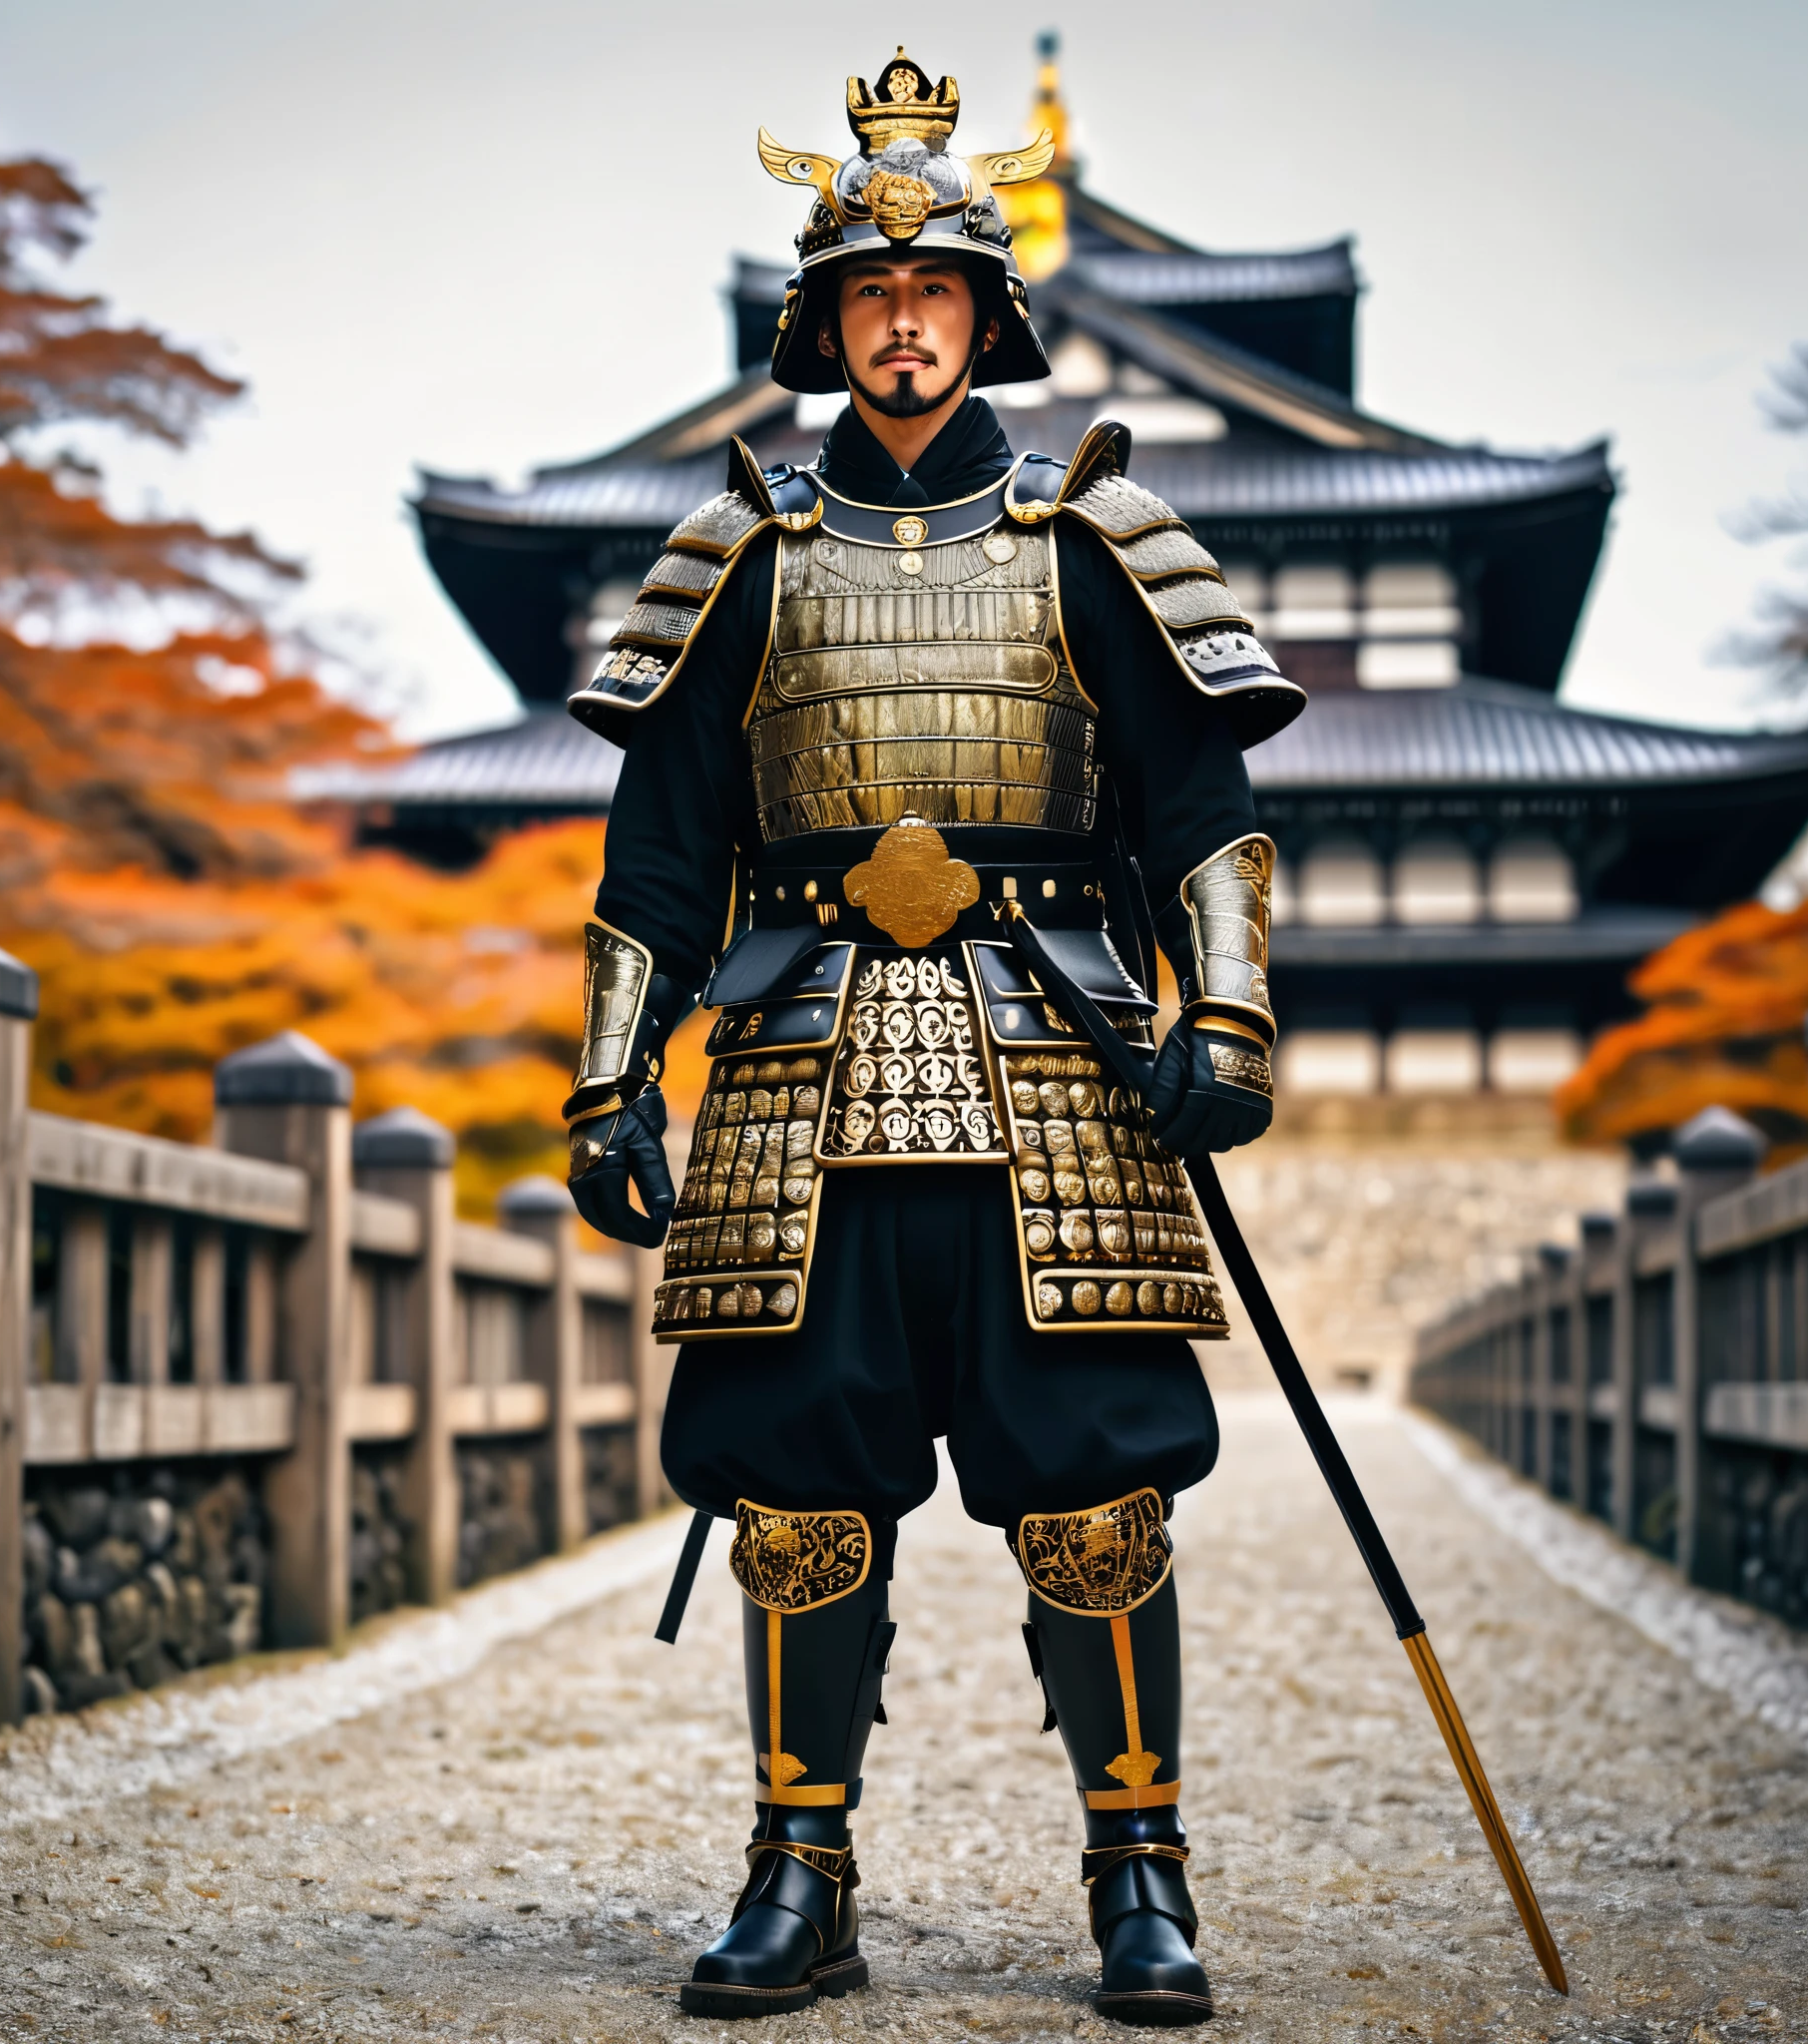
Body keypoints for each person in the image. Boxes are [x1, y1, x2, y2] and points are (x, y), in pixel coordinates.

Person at [561, 49, 1302, 2028]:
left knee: (1092, 1491)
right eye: (868, 299)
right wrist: (609, 1080)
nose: (902, 326)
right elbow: (658, 856)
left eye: (935, 295)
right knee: (795, 1496)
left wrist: (1222, 1013)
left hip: (1055, 1054)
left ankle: (1137, 1868)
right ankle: (798, 1868)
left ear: (988, 316)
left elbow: (1200, 810)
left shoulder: (1093, 540)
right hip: (800, 1065)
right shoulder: (742, 557)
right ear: (823, 329)